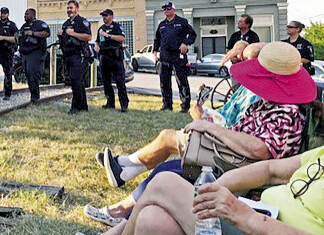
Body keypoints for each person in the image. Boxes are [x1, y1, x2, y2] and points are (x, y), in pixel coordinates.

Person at [101, 42, 314, 190]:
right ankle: (123, 184)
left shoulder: (288, 112)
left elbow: (261, 149)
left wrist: (207, 127)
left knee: (168, 164)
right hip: (232, 157)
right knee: (169, 165)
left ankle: (122, 200)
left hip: (237, 167)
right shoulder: (272, 103)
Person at [110, 145, 324, 235]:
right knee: (153, 221)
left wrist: (249, 218)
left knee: (165, 181)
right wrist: (217, 187)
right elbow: (271, 169)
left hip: (260, 227)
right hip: (256, 215)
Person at [153, 2, 197, 113]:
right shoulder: (162, 24)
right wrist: (155, 51)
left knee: (181, 81)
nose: (166, 11)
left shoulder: (182, 22)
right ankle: (167, 105)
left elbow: (193, 35)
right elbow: (157, 39)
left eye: (168, 8)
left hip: (178, 55)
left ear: (173, 10)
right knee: (164, 82)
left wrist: (185, 43)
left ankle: (185, 106)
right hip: (165, 55)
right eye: (165, 9)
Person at [57, 0, 92, 114]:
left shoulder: (82, 22)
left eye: (71, 8)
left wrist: (73, 34)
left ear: (77, 9)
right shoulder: (66, 24)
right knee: (76, 81)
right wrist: (61, 35)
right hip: (68, 55)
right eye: (67, 8)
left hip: (79, 55)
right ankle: (83, 106)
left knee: (76, 81)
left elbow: (88, 37)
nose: (69, 10)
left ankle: (75, 108)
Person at [94, 9, 129, 113]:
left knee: (120, 82)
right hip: (104, 57)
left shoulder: (117, 27)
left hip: (115, 57)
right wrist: (96, 45)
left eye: (106, 15)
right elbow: (97, 41)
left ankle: (124, 105)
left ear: (111, 16)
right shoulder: (101, 28)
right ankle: (110, 103)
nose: (104, 17)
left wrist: (108, 36)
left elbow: (122, 38)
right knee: (106, 82)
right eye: (103, 16)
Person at [18, 8, 50, 104]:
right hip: (25, 53)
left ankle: (35, 98)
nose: (25, 16)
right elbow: (20, 35)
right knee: (28, 75)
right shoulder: (24, 26)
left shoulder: (40, 24)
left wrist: (33, 33)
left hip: (36, 53)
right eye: (25, 14)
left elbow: (46, 33)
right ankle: (33, 96)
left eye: (27, 14)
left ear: (33, 14)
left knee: (33, 75)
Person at [0, 7, 19, 100]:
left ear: (8, 14)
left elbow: (15, 39)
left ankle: (7, 94)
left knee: (8, 73)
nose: (3, 15)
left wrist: (3, 37)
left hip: (7, 52)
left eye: (5, 13)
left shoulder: (12, 25)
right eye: (2, 13)